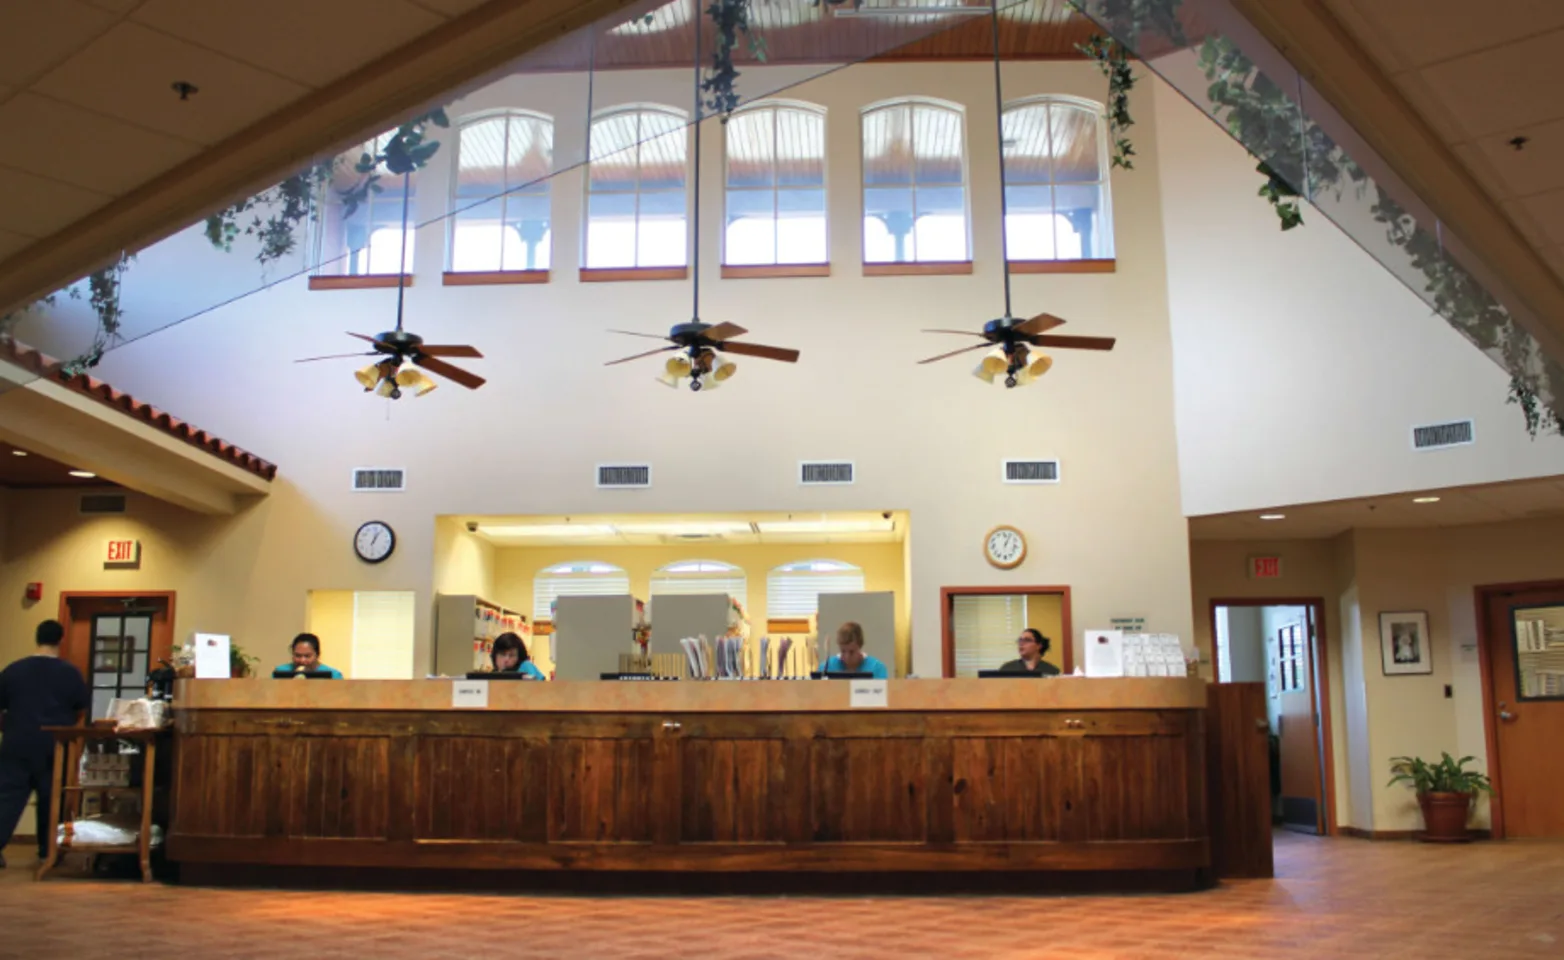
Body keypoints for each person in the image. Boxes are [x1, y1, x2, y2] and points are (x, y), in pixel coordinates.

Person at [0, 620, 90, 868]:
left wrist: (8, 727)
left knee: (7, 798)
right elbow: (81, 708)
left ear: (36, 638)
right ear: (61, 640)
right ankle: (47, 850)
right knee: (51, 798)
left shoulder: (13, 670)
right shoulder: (69, 673)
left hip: (16, 741)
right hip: (54, 744)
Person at [818, 622, 890, 679]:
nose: (847, 657)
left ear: (860, 646)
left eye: (851, 652)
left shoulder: (876, 669)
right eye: (843, 651)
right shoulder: (826, 668)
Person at [273, 633, 343, 678]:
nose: (302, 660)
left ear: (317, 655)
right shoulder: (280, 672)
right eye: (298, 655)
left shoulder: (334, 675)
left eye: (307, 656)